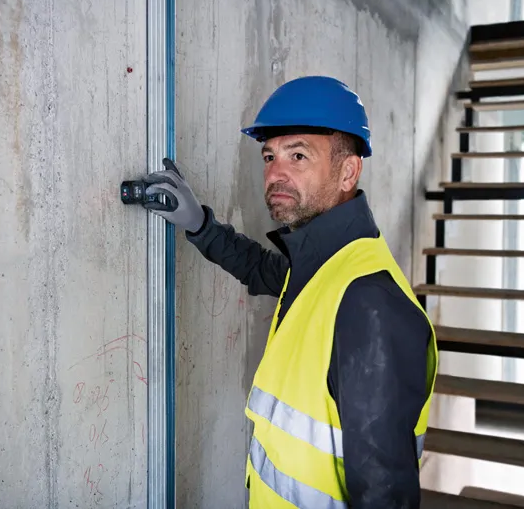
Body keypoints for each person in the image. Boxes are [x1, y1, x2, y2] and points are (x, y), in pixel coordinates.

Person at [142, 76, 438, 509]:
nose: (275, 173)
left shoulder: (370, 306)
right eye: (269, 156)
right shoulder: (320, 266)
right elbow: (264, 269)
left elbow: (385, 498)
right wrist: (199, 225)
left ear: (348, 171)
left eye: (297, 155)